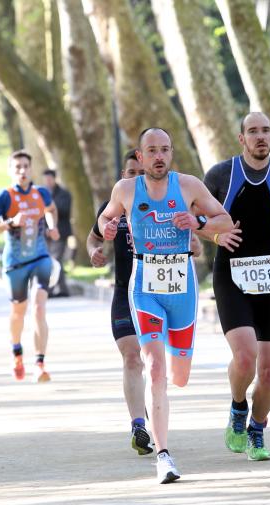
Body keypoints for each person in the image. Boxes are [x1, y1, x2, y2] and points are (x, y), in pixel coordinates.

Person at [98, 128, 232, 484]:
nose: (159, 157)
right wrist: (107, 228)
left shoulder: (188, 186)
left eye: (164, 150)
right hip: (144, 286)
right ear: (140, 158)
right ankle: (164, 456)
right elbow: (105, 218)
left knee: (179, 376)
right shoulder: (125, 190)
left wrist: (198, 222)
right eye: (151, 151)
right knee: (154, 367)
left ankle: (171, 385)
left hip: (182, 286)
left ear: (171, 154)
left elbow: (225, 220)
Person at [202, 112, 270, 462]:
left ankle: (257, 428)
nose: (260, 137)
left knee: (269, 370)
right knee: (245, 356)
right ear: (241, 139)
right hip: (230, 273)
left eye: (266, 130)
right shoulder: (221, 175)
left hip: (269, 274)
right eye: (253, 131)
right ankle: (238, 408)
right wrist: (215, 233)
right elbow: (197, 219)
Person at [89, 148, 204, 457]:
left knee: (172, 372)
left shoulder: (170, 198)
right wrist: (95, 251)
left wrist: (195, 236)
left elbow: (197, 245)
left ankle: (157, 403)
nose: (136, 178)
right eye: (131, 173)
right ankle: (139, 424)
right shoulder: (119, 201)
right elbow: (95, 235)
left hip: (171, 290)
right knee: (134, 358)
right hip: (129, 291)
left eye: (138, 174)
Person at [0, 150, 60, 383]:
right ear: (10, 171)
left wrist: (52, 225)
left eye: (26, 166)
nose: (22, 171)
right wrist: (10, 223)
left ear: (31, 168)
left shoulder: (41, 193)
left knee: (39, 307)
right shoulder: (3, 198)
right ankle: (17, 352)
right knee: (18, 312)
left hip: (40, 258)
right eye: (17, 167)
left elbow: (51, 209)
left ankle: (40, 363)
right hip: (15, 263)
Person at [42, 169, 73, 297]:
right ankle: (61, 288)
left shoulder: (64, 194)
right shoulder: (42, 194)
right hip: (45, 233)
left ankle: (52, 289)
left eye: (50, 179)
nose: (48, 182)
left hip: (60, 232)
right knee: (51, 260)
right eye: (46, 179)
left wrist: (50, 207)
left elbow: (64, 210)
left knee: (56, 259)